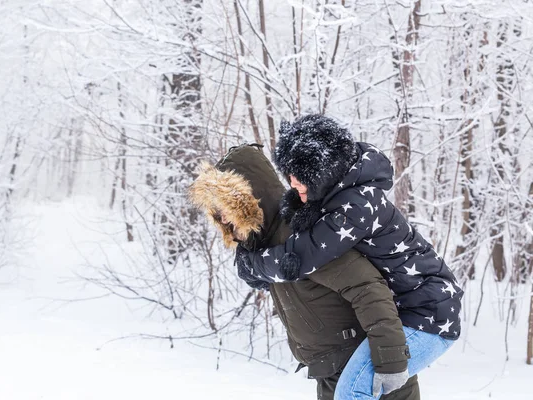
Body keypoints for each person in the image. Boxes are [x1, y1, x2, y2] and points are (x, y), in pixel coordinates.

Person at [237, 115, 464, 400]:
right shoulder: (342, 190)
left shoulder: (356, 206)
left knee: (352, 391)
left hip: (429, 316)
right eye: (289, 174)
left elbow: (302, 256)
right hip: (409, 311)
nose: (292, 183)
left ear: (322, 170)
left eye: (299, 175)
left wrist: (252, 266)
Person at [189, 143, 420, 400]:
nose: (224, 222)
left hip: (366, 370)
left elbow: (368, 288)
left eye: (225, 211)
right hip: (335, 370)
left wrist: (391, 361)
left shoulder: (299, 236)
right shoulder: (268, 246)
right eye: (217, 215)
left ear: (248, 201)